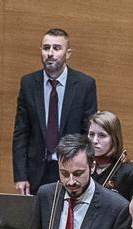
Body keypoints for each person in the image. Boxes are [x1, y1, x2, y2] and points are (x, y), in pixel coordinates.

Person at [12, 28, 98, 194]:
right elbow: (21, 133)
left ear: (68, 53)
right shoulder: (28, 84)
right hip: (36, 171)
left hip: (70, 170)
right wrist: (20, 175)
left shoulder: (84, 85)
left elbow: (87, 133)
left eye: (56, 48)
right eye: (46, 48)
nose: (50, 53)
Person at [87, 111, 133, 200]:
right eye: (91, 134)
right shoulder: (83, 166)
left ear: (114, 139)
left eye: (102, 135)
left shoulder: (131, 173)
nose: (94, 141)